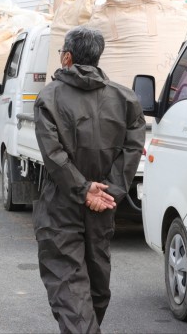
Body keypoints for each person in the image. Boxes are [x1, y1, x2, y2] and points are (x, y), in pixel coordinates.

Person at [32, 26, 145, 334]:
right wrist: (111, 190)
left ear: (67, 58)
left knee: (71, 287)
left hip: (62, 205)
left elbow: (52, 153)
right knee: (95, 287)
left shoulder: (49, 97)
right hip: (103, 206)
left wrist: (84, 190)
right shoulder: (126, 99)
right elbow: (133, 149)